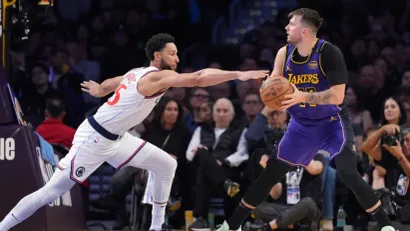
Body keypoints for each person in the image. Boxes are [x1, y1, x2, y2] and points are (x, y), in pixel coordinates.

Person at [0, 33, 268, 231]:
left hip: (117, 138)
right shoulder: (154, 77)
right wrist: (238, 75)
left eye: (177, 53)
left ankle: (155, 227)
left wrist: (99, 89)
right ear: (157, 56)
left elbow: (109, 84)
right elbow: (198, 78)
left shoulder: (137, 72)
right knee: (52, 191)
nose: (177, 58)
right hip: (94, 139)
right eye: (172, 53)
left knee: (166, 164)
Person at [216, 8, 396, 231]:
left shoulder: (329, 53)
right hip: (301, 125)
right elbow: (275, 83)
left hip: (332, 122)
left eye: (291, 24)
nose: (286, 27)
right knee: (270, 173)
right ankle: (230, 227)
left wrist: (302, 95)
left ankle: (387, 226)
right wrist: (268, 89)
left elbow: (338, 96)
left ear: (304, 30)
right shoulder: (284, 53)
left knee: (348, 173)